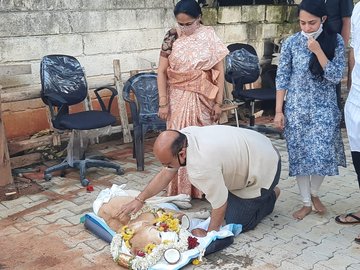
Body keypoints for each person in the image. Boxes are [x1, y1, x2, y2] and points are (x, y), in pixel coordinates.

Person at [117, 125, 281, 236]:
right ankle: (243, 195)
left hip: (267, 167)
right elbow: (166, 173)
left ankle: (270, 194)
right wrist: (140, 199)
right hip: (258, 145)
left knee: (238, 222)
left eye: (167, 163)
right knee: (225, 201)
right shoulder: (185, 136)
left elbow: (220, 203)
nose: (167, 167)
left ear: (182, 154)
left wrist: (210, 234)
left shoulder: (200, 167)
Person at [274, 0, 346, 220]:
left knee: (323, 154)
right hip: (297, 109)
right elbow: (282, 77)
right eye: (302, 23)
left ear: (323, 19)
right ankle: (306, 201)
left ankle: (315, 193)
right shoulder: (291, 43)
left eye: (311, 23)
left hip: (324, 109)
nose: (306, 28)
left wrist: (318, 52)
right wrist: (279, 110)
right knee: (301, 156)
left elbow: (335, 76)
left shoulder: (335, 40)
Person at [157, 0, 229, 199]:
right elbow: (161, 71)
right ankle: (181, 191)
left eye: (189, 24)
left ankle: (206, 189)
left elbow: (219, 72)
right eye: (181, 24)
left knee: (202, 144)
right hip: (178, 97)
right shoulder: (171, 36)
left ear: (199, 19)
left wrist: (218, 103)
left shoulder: (209, 36)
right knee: (178, 143)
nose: (184, 29)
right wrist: (163, 102)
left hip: (204, 97)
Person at [335, 2, 360, 245]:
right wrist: (351, 86)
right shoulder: (358, 9)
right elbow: (354, 49)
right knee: (359, 160)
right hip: (357, 101)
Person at [325, 0, 353, 114]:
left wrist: (341, 47)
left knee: (333, 80)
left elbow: (346, 21)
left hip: (334, 43)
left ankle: (335, 113)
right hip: (314, 40)